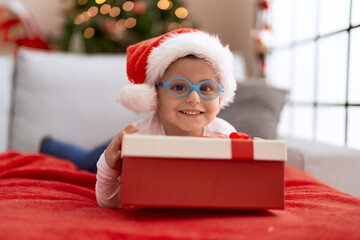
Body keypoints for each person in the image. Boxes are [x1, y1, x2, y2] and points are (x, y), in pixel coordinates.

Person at [95, 28, 238, 209]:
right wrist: (109, 166)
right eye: (179, 87)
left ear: (220, 95)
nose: (194, 98)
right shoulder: (139, 138)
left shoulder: (225, 136)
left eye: (206, 88)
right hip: (117, 147)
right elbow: (109, 202)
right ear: (155, 95)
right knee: (84, 158)